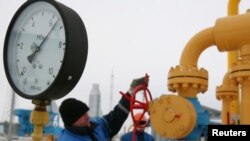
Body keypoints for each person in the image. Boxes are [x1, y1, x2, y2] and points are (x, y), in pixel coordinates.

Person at [57, 76, 147, 141]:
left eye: (86, 112)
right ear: (73, 121)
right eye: (82, 115)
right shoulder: (67, 139)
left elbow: (115, 118)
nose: (88, 116)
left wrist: (131, 92)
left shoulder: (96, 126)